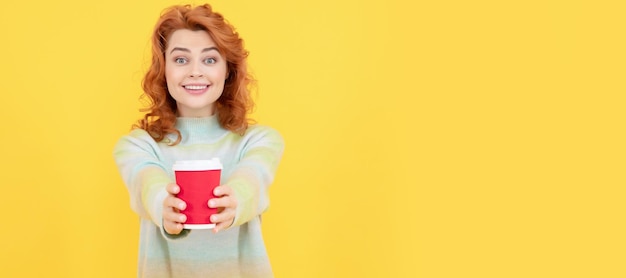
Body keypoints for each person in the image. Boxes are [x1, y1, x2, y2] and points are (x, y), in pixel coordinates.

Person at [113, 4, 284, 277]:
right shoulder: (137, 146)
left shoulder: (260, 141)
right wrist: (163, 204)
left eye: (210, 59)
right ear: (164, 69)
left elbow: (253, 177)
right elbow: (146, 180)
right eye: (181, 60)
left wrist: (236, 199)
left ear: (227, 70)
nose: (195, 71)